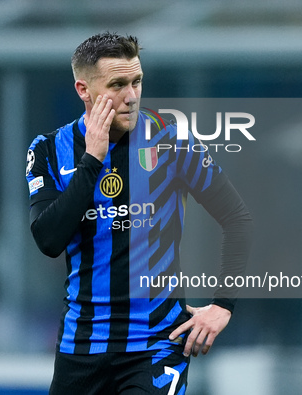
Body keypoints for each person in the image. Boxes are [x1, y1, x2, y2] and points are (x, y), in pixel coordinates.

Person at [26, 32, 253, 395]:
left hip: (155, 344)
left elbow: (237, 220)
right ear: (84, 90)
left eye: (137, 81)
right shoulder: (49, 150)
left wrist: (222, 306)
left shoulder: (172, 140)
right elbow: (49, 239)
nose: (131, 96)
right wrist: (92, 161)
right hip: (81, 347)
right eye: (117, 84)